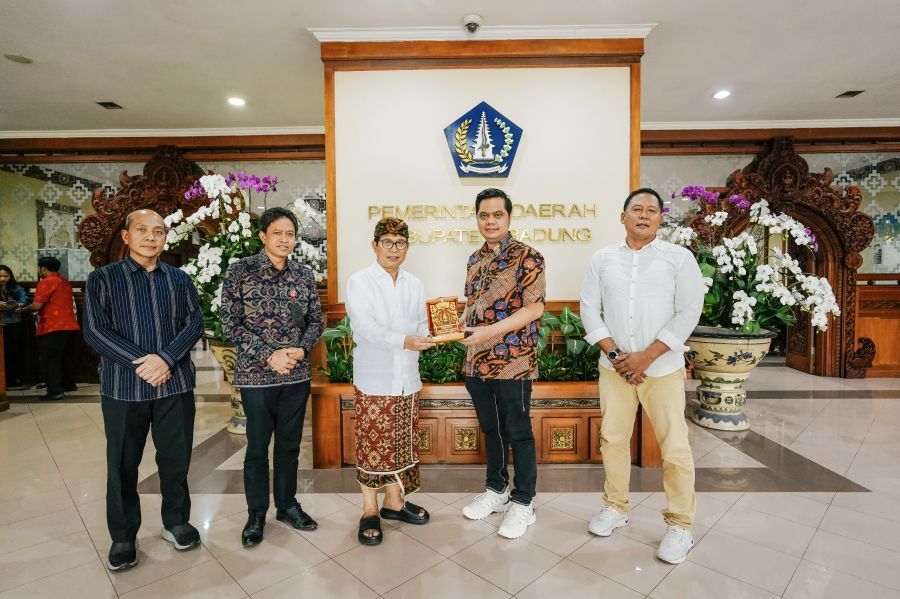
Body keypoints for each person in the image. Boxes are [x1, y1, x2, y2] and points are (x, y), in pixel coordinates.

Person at [579, 188, 704, 565]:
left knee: (675, 448)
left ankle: (681, 525)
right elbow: (589, 309)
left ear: (661, 219)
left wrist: (646, 357)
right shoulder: (602, 259)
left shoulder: (679, 259)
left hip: (662, 368)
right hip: (615, 369)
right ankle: (616, 507)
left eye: (652, 210)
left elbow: (688, 311)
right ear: (623, 217)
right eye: (637, 209)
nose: (644, 215)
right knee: (613, 439)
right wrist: (618, 357)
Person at [83, 209, 204, 572]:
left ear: (166, 238)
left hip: (174, 385)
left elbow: (194, 321)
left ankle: (176, 522)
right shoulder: (102, 279)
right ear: (125, 236)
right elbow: (96, 331)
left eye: (159, 231)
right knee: (122, 464)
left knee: (176, 458)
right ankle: (123, 536)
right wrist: (146, 362)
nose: (151, 237)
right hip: (123, 388)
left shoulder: (179, 279)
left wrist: (165, 359)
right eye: (142, 230)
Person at [221, 206, 324, 548]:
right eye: (277, 233)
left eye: (290, 234)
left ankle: (287, 505)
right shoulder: (240, 272)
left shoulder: (303, 275)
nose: (284, 239)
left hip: (295, 375)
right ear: (263, 236)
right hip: (255, 376)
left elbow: (315, 321)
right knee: (256, 448)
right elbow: (230, 323)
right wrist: (270, 354)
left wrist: (300, 350)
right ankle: (255, 513)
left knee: (290, 445)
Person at [459, 188, 545, 539]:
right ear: (477, 218)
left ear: (509, 217)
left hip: (513, 362)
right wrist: (456, 327)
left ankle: (523, 502)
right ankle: (497, 490)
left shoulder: (528, 257)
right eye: (484, 215)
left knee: (518, 432)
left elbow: (534, 308)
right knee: (491, 430)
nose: (490, 220)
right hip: (476, 363)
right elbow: (470, 305)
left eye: (497, 214)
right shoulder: (473, 260)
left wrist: (488, 332)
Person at [345, 217, 435, 545]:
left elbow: (423, 325)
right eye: (387, 242)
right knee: (372, 445)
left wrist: (441, 332)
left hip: (407, 379)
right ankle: (369, 509)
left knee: (402, 441)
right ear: (375, 246)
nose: (393, 249)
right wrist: (405, 340)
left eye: (400, 244)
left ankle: (394, 503)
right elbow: (366, 328)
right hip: (375, 379)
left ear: (407, 248)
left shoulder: (414, 283)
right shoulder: (360, 282)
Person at [17, 256, 80, 400]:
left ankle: (55, 391)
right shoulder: (64, 281)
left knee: (49, 360)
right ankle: (68, 384)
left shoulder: (46, 282)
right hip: (69, 325)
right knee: (64, 357)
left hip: (52, 326)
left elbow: (36, 306)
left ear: (43, 268)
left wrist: (20, 310)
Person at [0, 265, 29, 389]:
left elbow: (24, 301)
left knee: (15, 351)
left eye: (6, 276)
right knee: (2, 353)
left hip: (15, 323)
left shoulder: (17, 288)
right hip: (1, 324)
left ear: (10, 276)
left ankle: (15, 378)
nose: (2, 279)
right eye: (0, 276)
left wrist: (9, 305)